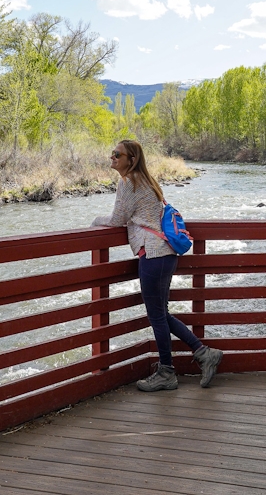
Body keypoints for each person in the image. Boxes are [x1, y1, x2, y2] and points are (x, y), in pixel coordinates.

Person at [91, 139, 223, 392]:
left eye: (117, 154)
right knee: (160, 314)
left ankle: (167, 372)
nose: (112, 157)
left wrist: (95, 221)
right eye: (112, 153)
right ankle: (204, 354)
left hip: (153, 254)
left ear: (131, 159)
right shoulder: (145, 180)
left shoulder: (128, 181)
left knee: (156, 316)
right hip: (164, 253)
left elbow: (118, 219)